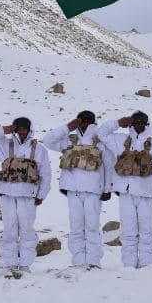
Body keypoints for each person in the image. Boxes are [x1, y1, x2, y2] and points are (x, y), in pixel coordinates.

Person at [0, 117, 51, 273]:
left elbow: (45, 174)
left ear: (29, 129)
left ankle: (25, 264)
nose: (22, 131)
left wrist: (42, 194)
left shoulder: (39, 149)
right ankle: (10, 263)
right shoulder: (5, 145)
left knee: (26, 229)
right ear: (15, 129)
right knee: (9, 229)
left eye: (25, 128)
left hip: (28, 195)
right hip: (7, 194)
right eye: (19, 128)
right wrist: (3, 130)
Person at [43, 110, 113, 269]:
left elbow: (109, 166)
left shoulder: (99, 140)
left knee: (92, 226)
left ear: (94, 122)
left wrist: (107, 188)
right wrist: (67, 127)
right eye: (82, 120)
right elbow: (47, 141)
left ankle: (94, 261)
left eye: (88, 121)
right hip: (73, 190)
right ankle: (79, 261)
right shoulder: (69, 139)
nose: (84, 123)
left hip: (93, 191)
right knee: (76, 227)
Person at [98, 111, 152, 268]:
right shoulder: (121, 141)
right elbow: (102, 133)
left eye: (142, 123)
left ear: (147, 124)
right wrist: (117, 123)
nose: (139, 126)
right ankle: (128, 265)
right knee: (128, 232)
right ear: (131, 124)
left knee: (146, 231)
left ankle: (146, 263)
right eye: (136, 123)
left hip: (147, 194)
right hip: (126, 194)